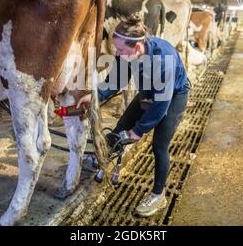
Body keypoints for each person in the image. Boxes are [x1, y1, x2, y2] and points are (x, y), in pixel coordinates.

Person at [77, 14, 190, 217]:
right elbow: (114, 82)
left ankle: (158, 195)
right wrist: (93, 97)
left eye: (120, 50)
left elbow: (161, 105)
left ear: (137, 48)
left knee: (159, 145)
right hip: (148, 92)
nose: (117, 53)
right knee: (119, 129)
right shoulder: (127, 55)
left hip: (173, 96)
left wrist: (138, 131)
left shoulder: (164, 60)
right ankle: (102, 160)